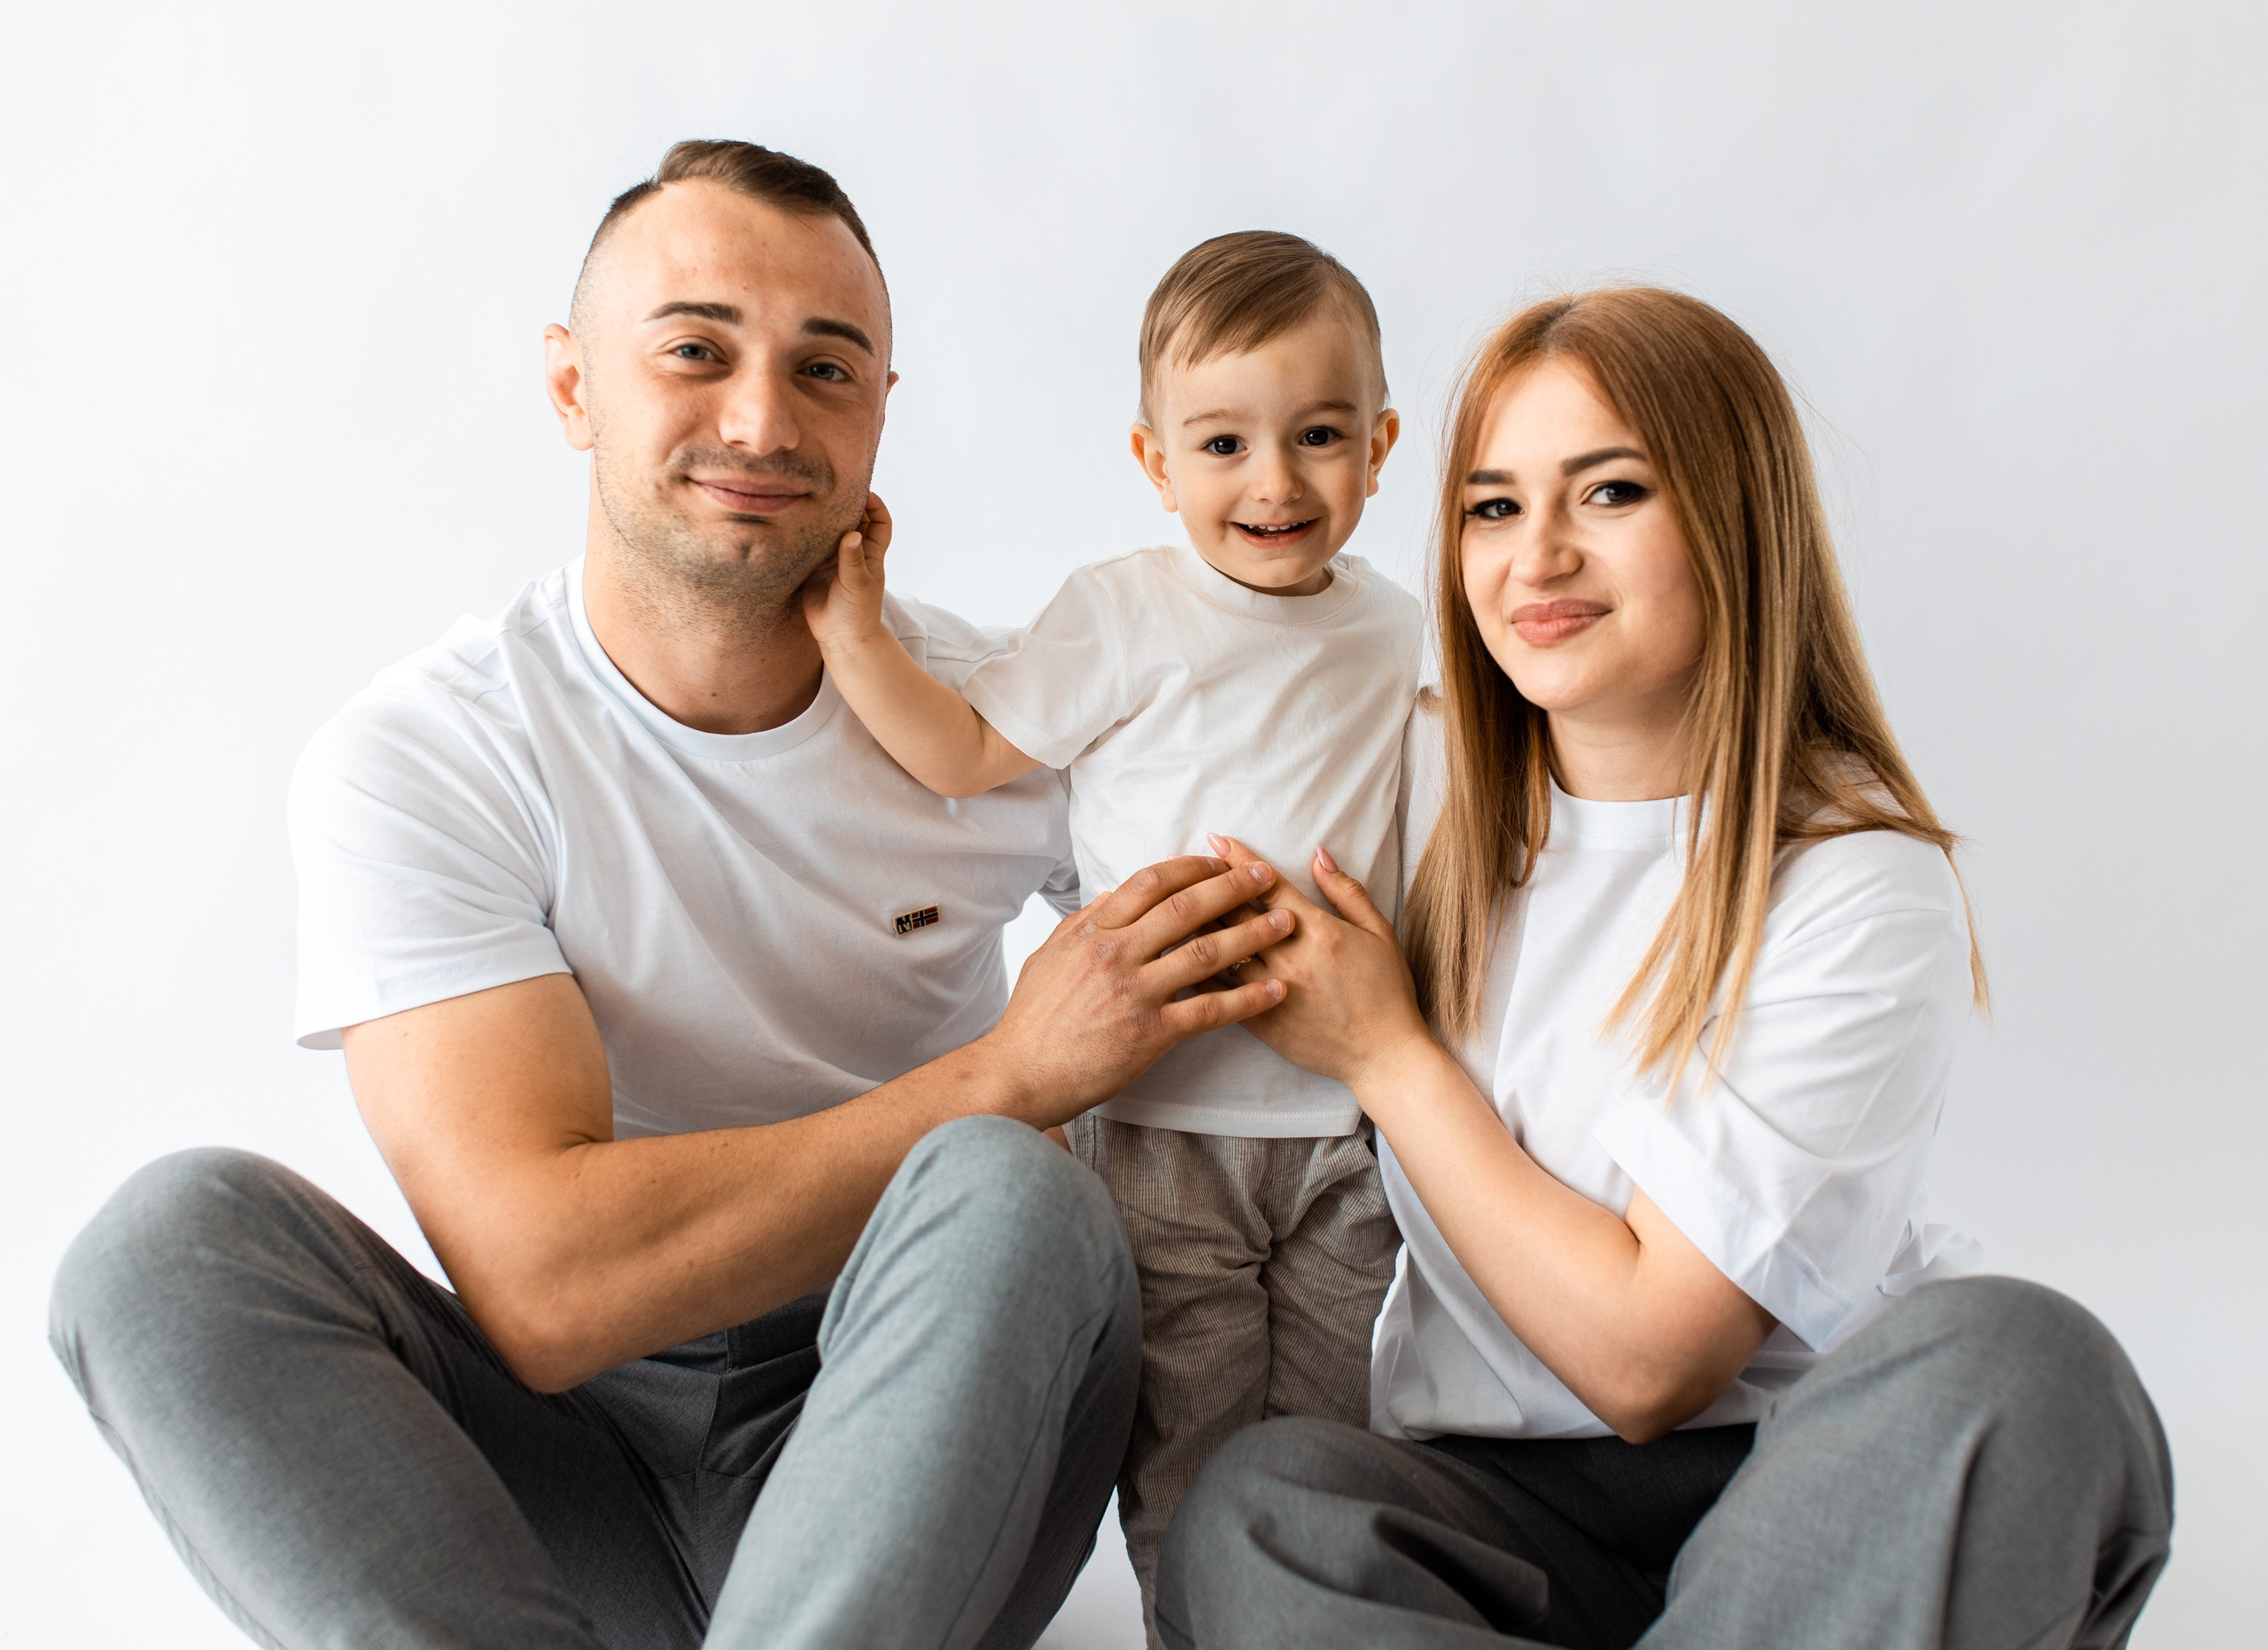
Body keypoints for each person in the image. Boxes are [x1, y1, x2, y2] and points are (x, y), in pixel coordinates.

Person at [45, 139, 1303, 1650]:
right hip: (566, 1460)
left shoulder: (1009, 717)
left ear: (880, 416)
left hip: (919, 1402)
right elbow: (543, 1289)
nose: (763, 418)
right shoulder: (433, 754)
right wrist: (1006, 1072)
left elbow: (1323, 960)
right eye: (696, 351)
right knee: (167, 1243)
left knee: (1015, 1189)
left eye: (826, 369)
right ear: (576, 388)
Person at [1154, 286, 2174, 1648]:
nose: (1540, 556)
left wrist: (1388, 1053)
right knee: (1261, 1504)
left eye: (1612, 491)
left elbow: (1651, 1359)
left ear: (1735, 519)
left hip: (1805, 1477)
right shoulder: (1413, 793)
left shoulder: (1855, 882)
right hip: (1496, 1509)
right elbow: (1121, 740)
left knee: (2029, 1365)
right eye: (1494, 507)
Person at [804, 230, 1418, 1633]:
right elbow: (965, 750)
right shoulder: (1127, 612)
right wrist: (855, 643)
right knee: (1191, 1446)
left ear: (1380, 447)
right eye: (1223, 444)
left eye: (1319, 436)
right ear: (1156, 462)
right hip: (1160, 1122)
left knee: (1343, 1440)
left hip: (1343, 1128)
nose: (1274, 482)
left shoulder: (1399, 631)